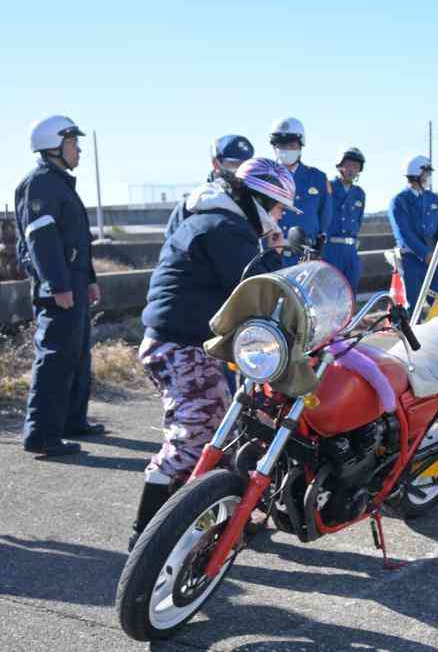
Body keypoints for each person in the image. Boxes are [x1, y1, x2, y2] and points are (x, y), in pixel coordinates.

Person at [131, 158, 294, 549]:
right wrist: (276, 256)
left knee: (222, 429)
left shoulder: (218, 219)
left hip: (180, 342)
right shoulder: (225, 227)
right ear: (259, 200)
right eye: (277, 208)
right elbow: (257, 287)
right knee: (194, 437)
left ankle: (213, 521)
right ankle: (149, 536)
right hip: (181, 345)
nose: (279, 217)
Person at [16, 115, 103, 457]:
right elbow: (42, 241)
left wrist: (90, 280)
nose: (78, 149)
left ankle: (72, 421)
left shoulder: (60, 182)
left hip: (74, 284)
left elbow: (76, 240)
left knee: (78, 354)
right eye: (72, 143)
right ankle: (40, 435)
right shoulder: (40, 183)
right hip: (58, 289)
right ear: (54, 146)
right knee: (54, 358)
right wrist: (57, 285)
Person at [389, 155, 438, 315]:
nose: (429, 176)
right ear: (417, 173)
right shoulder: (399, 200)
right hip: (411, 259)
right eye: (427, 172)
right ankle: (412, 336)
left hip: (434, 259)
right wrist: (425, 254)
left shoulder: (432, 198)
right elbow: (404, 234)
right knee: (414, 305)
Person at [164, 135, 255, 239]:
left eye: (247, 165)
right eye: (234, 164)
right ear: (216, 163)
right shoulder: (192, 203)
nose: (241, 170)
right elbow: (173, 246)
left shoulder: (255, 201)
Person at [269, 117, 332, 265]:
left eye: (291, 145)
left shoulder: (318, 178)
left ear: (300, 146)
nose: (286, 150)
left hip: (305, 259)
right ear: (274, 147)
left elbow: (325, 215)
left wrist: (320, 240)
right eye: (281, 145)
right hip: (273, 258)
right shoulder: (263, 177)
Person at [324, 147, 367, 295]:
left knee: (350, 292)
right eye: (348, 165)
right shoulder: (328, 186)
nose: (351, 170)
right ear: (340, 166)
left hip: (351, 250)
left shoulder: (359, 193)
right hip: (331, 248)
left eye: (355, 167)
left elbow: (359, 221)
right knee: (329, 292)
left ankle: (349, 319)